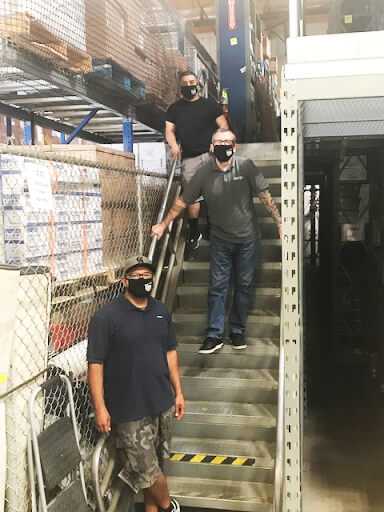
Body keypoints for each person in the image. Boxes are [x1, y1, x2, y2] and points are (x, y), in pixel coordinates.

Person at [151, 128, 282, 355]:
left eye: (228, 141)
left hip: (248, 240)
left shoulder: (246, 166)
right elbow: (182, 202)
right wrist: (163, 224)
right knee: (217, 288)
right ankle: (214, 334)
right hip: (220, 240)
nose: (223, 145)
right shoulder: (203, 173)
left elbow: (265, 196)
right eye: (219, 142)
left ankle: (237, 330)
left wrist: (279, 222)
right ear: (212, 147)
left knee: (243, 286)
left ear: (235, 146)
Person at [87, 255, 185, 512]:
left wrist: (178, 392)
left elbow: (170, 353)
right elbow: (95, 364)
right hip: (128, 412)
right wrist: (100, 407)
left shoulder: (161, 312)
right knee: (148, 473)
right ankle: (170, 506)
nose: (143, 280)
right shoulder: (106, 318)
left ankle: (157, 507)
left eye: (147, 276)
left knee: (153, 474)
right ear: (124, 280)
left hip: (161, 403)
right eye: (137, 276)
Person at [166, 70, 229, 249]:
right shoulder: (175, 109)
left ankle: (212, 227)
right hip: (189, 158)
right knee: (191, 196)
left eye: (191, 82)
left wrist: (216, 140)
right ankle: (194, 232)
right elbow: (169, 130)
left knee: (214, 192)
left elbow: (223, 125)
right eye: (185, 83)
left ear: (197, 84)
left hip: (210, 155)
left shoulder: (210, 105)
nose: (189, 86)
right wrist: (173, 145)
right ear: (180, 86)